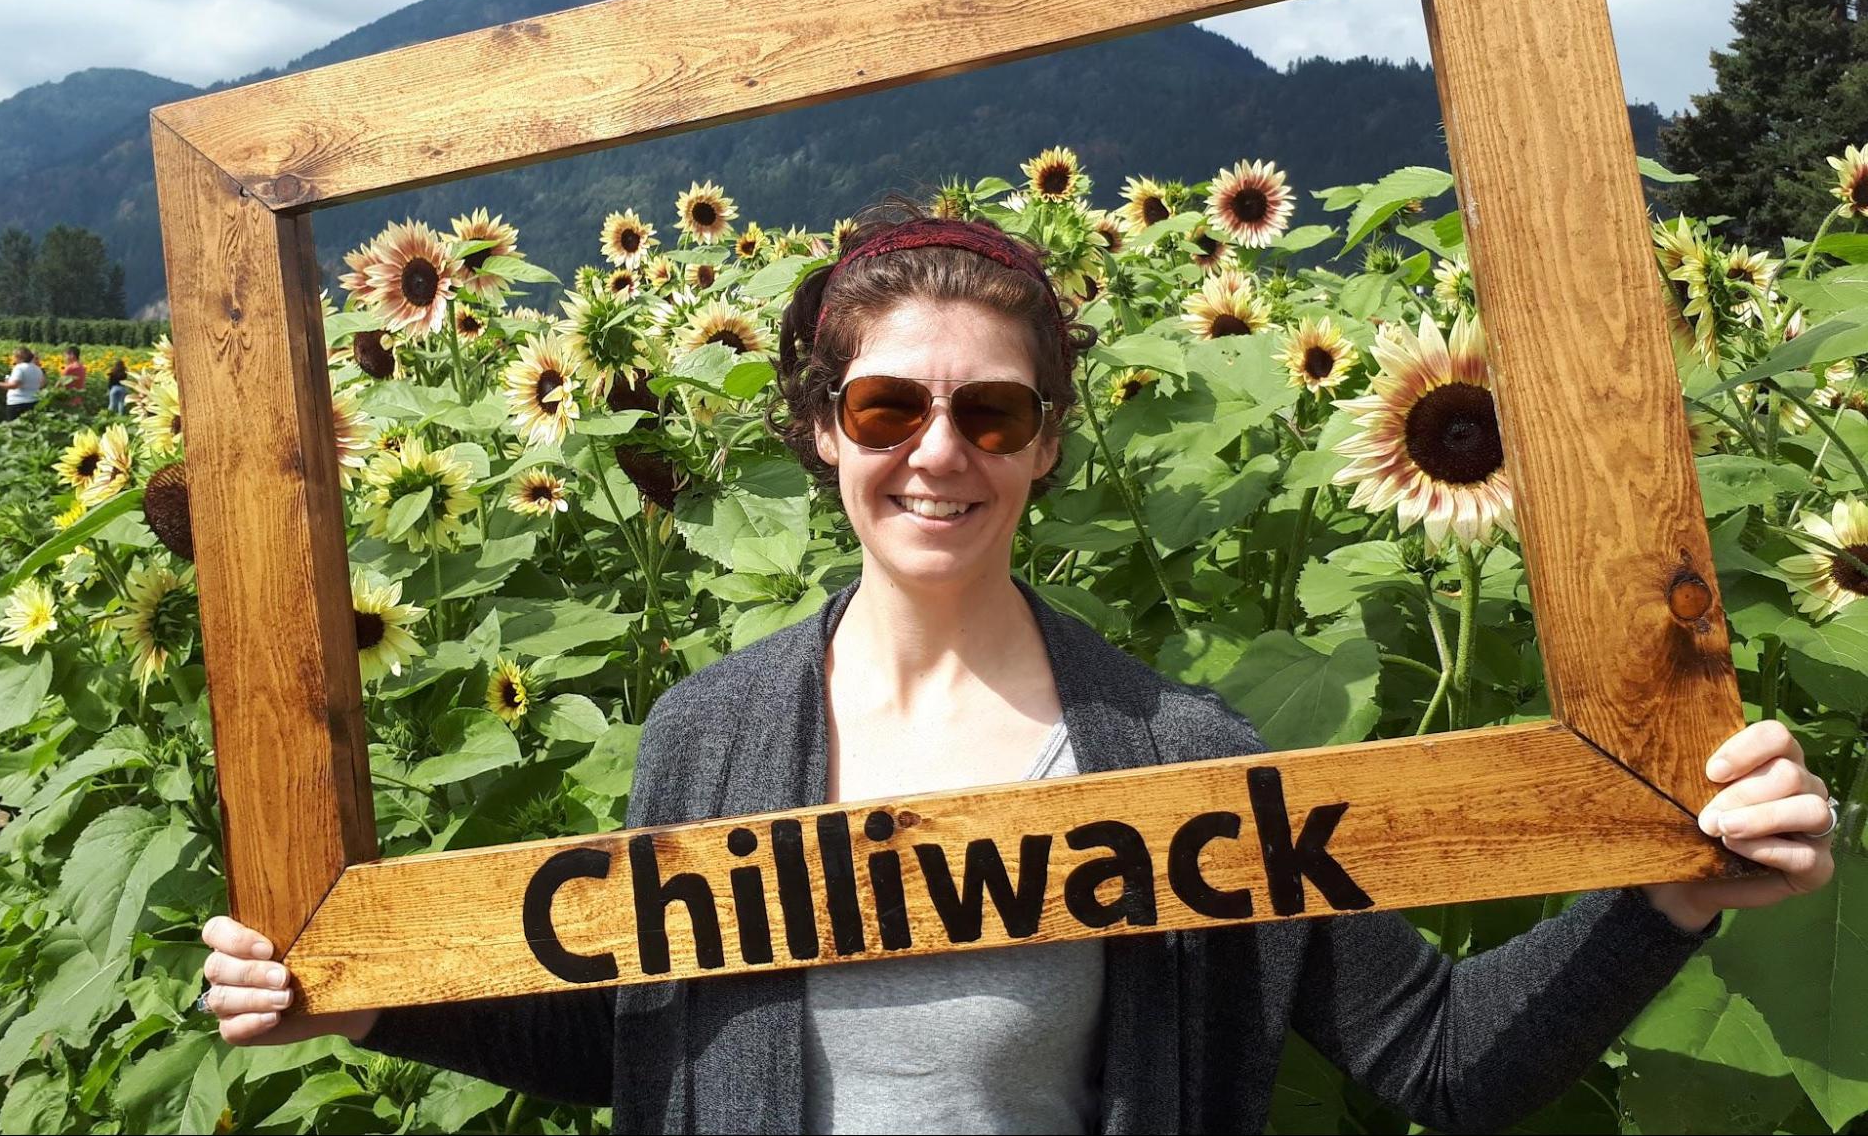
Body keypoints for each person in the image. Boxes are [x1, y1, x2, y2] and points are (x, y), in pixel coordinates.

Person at [199, 203, 1839, 1133]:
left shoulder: (1176, 759)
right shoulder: (705, 739)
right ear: (813, 431)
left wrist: (1672, 894)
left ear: (1043, 443)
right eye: (883, 408)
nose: (936, 454)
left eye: (987, 412)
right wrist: (344, 991)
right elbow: (648, 1054)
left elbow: (1435, 1059)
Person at [0, 346, 45, 421]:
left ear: (19, 357)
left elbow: (14, 385)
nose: (13, 359)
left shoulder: (20, 368)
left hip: (18, 403)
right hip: (33, 401)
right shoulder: (37, 369)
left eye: (14, 356)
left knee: (15, 428)